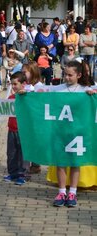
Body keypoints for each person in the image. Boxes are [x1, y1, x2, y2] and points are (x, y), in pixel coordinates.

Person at [48, 60, 94, 207]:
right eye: (65, 75)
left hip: (78, 133)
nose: (66, 78)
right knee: (60, 163)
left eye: (70, 75)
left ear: (79, 75)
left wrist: (92, 95)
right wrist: (25, 93)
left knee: (75, 162)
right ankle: (62, 192)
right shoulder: (57, 89)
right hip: (60, 132)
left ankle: (72, 192)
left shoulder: (84, 90)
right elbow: (39, 94)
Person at [4, 72, 28, 185]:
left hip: (23, 130)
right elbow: (4, 109)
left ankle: (22, 174)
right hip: (12, 129)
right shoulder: (11, 97)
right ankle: (12, 172)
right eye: (11, 84)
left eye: (15, 84)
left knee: (23, 153)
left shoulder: (28, 97)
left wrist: (26, 94)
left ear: (23, 84)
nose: (13, 87)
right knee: (11, 152)